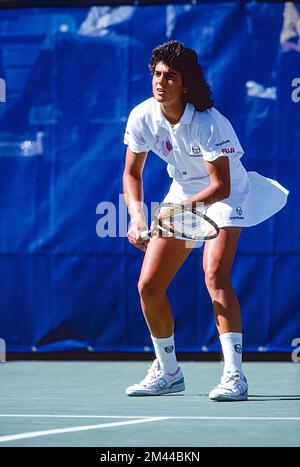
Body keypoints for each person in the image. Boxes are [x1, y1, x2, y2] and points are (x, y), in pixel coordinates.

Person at [122, 40, 288, 401]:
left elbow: (221, 185)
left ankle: (235, 377)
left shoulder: (209, 122)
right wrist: (137, 216)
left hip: (228, 195)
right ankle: (168, 372)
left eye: (171, 76)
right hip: (182, 190)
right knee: (148, 286)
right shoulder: (141, 117)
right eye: (157, 74)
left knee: (214, 273)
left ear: (185, 83)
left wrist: (177, 213)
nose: (161, 82)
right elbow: (132, 173)